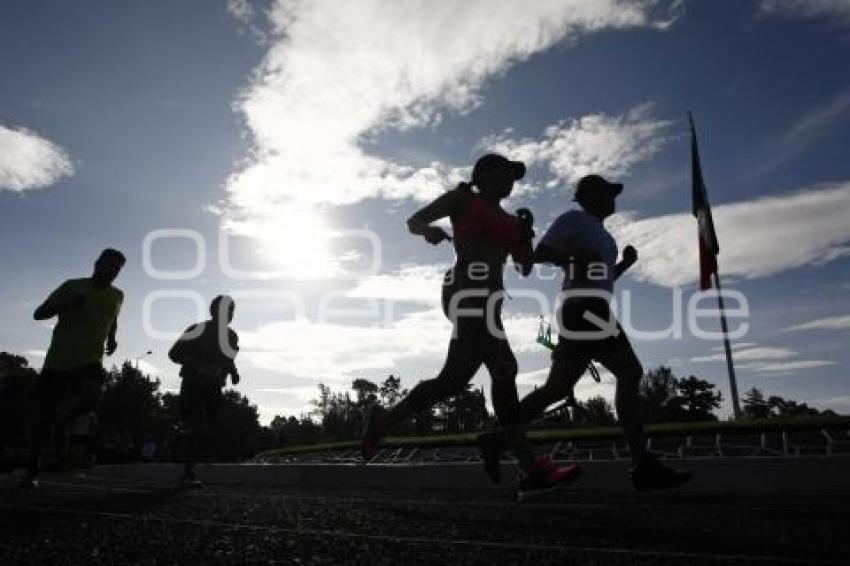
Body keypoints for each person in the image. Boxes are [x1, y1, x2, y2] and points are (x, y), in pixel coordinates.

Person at [361, 153, 580, 501]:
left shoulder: (510, 220)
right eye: (507, 173)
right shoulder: (463, 199)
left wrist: (525, 236)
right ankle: (529, 468)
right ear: (486, 173)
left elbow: (524, 266)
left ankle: (384, 421)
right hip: (465, 290)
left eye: (515, 176)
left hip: (490, 298)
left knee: (453, 380)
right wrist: (429, 231)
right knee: (504, 367)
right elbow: (414, 220)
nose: (512, 181)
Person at [480, 174, 692, 490]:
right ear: (590, 196)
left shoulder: (604, 236)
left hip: (586, 308)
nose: (613, 199)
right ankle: (642, 464)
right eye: (608, 193)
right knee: (630, 371)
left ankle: (498, 438)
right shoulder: (574, 220)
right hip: (585, 310)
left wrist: (623, 266)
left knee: (555, 388)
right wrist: (575, 257)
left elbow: (600, 277)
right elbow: (539, 254)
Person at [22, 248, 126, 488]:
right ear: (97, 264)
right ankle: (31, 470)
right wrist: (67, 304)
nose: (111, 271)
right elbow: (39, 314)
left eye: (116, 269)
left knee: (91, 398)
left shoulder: (117, 295)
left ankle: (63, 422)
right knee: (42, 418)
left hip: (90, 361)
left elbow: (114, 317)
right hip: (59, 360)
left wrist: (112, 337)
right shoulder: (73, 286)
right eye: (108, 265)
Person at [168, 295, 240, 486]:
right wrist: (195, 363)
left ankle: (202, 459)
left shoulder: (232, 336)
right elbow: (173, 353)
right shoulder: (197, 329)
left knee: (214, 424)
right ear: (213, 311)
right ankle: (188, 471)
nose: (228, 315)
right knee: (196, 422)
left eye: (231, 311)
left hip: (215, 387)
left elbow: (229, 359)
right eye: (224, 310)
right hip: (193, 383)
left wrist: (233, 373)